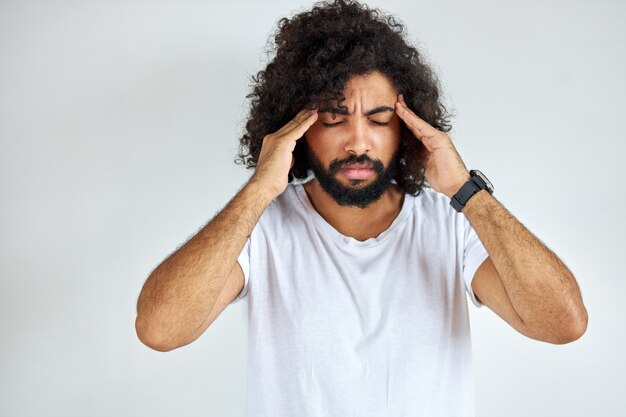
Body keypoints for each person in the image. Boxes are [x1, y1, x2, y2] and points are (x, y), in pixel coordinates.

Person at [135, 0, 588, 415]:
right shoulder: (263, 230)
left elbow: (563, 324)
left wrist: (464, 191)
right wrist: (258, 190)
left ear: (407, 128)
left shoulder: (452, 224)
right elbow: (160, 330)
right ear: (296, 129)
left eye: (378, 119)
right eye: (333, 118)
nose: (357, 141)